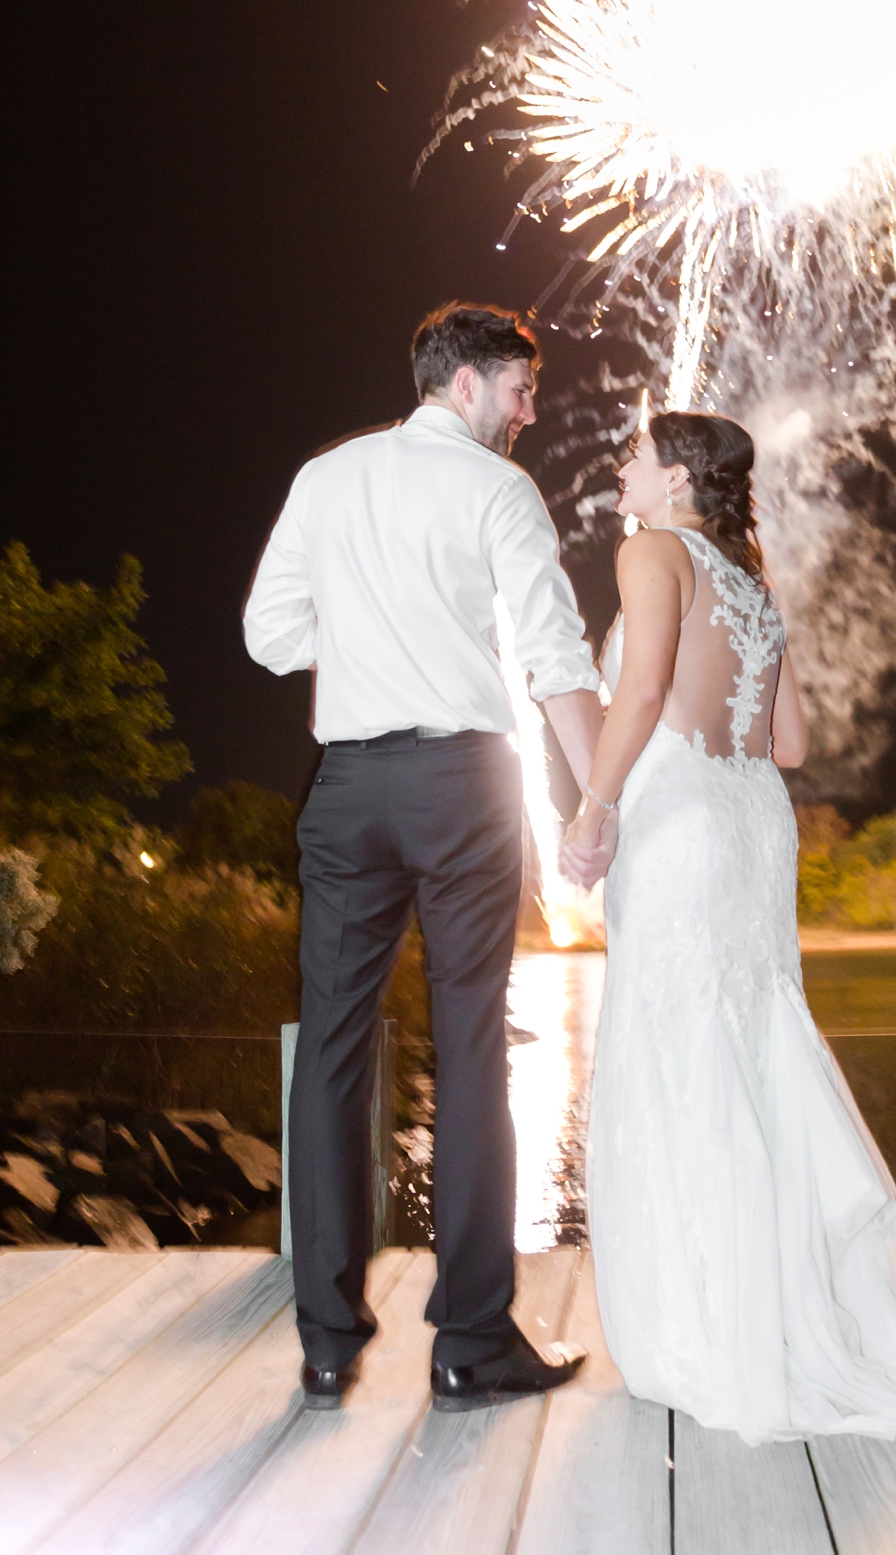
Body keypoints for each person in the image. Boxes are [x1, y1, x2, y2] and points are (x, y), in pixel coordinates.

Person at [563, 410, 896, 1443]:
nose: (622, 470)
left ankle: (709, 1326)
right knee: (756, 1044)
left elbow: (638, 693)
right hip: (755, 821)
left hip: (679, 823)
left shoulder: (651, 554)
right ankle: (791, 1312)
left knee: (681, 1056)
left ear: (675, 477)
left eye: (635, 456)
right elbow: (793, 742)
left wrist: (596, 805)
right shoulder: (750, 581)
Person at [244, 303, 603, 1412]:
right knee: (470, 1049)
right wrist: (601, 797)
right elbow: (550, 649)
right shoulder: (497, 490)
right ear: (464, 386)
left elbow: (267, 635)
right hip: (459, 786)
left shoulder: (327, 477)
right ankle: (470, 1343)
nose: (529, 413)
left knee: (332, 1060)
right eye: (518, 390)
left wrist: (356, 639)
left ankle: (325, 1340)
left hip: (347, 791)